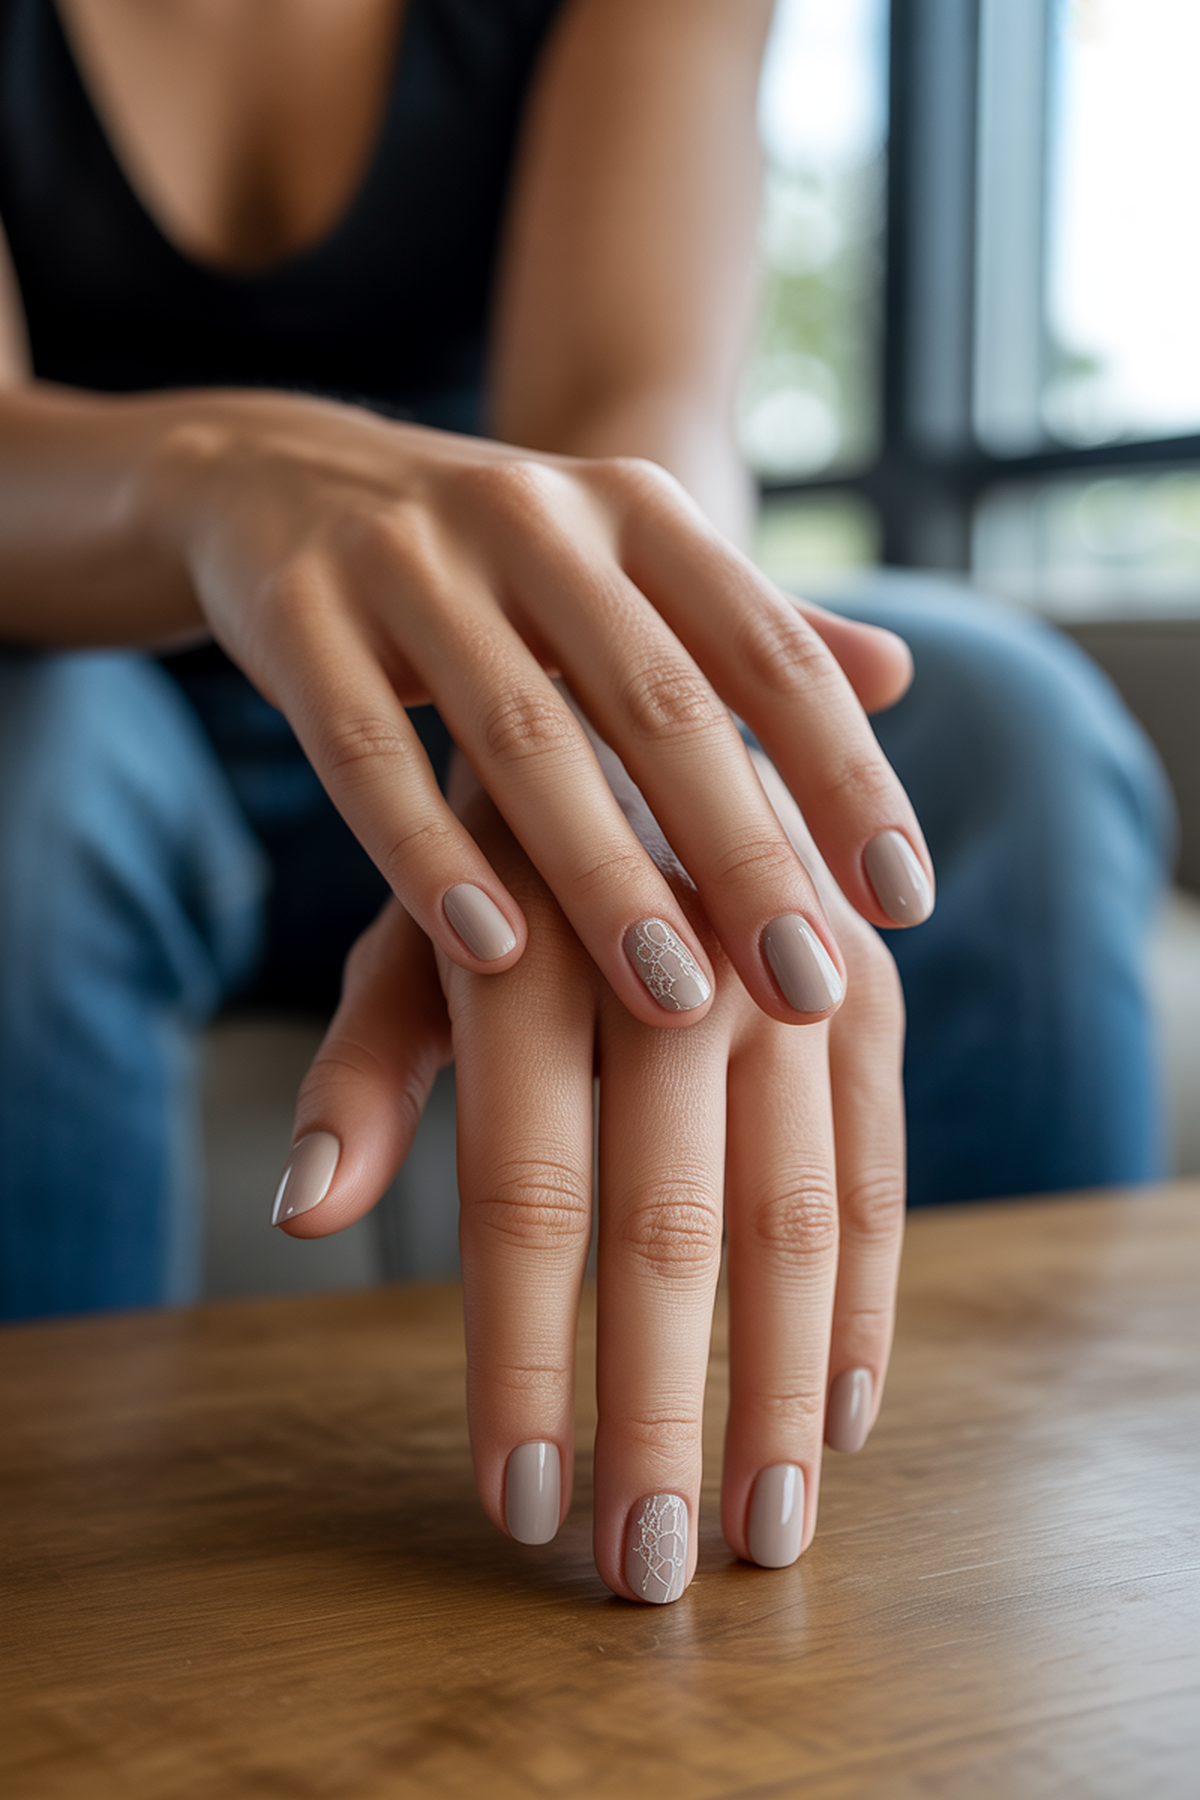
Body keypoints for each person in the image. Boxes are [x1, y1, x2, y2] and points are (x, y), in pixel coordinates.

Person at [0, 0, 1170, 1603]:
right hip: (78, 662)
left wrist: (592, 720)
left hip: (502, 674)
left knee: (1004, 729)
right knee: (27, 787)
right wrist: (218, 476)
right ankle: (64, 1603)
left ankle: (1043, 1574)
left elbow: (636, 394)